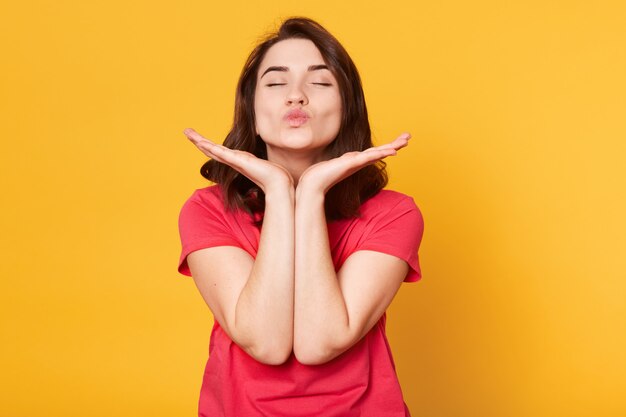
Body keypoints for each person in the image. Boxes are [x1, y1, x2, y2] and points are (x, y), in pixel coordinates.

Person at [177, 16, 424, 417]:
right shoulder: (207, 210)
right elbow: (266, 343)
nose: (296, 96)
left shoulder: (394, 213)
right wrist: (278, 189)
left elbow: (319, 342)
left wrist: (308, 192)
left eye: (321, 82)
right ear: (252, 114)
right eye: (275, 83)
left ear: (348, 109)